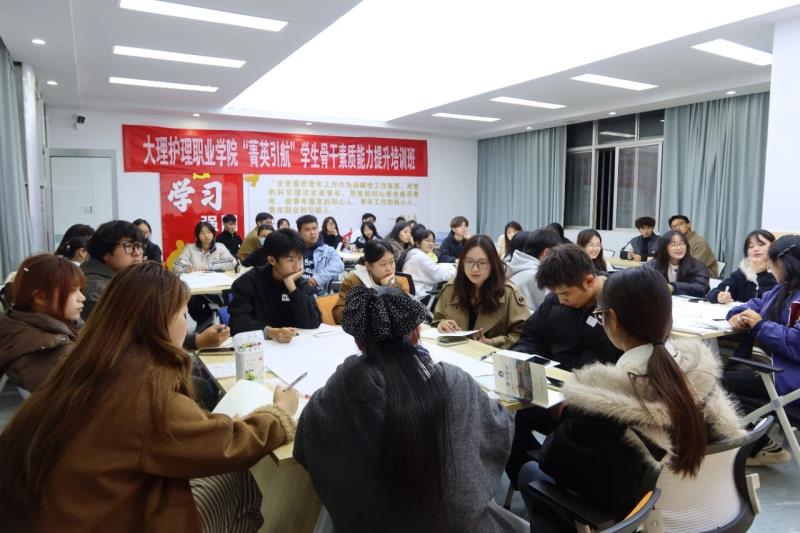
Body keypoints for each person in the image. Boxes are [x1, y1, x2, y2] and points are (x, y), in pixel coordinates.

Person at [0, 262, 299, 532]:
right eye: (182, 313)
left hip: (62, 510)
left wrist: (207, 425)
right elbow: (228, 446)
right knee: (240, 482)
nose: (186, 323)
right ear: (158, 322)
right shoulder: (146, 390)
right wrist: (278, 414)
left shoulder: (89, 361)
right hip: (106, 518)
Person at [519, 267, 743, 532]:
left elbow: (553, 461)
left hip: (640, 520)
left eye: (600, 315)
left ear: (612, 319)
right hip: (711, 517)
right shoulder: (705, 382)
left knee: (529, 473)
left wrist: (568, 418)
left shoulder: (599, 402)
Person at [294, 286, 515, 532]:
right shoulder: (455, 383)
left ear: (359, 342)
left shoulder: (339, 392)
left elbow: (305, 444)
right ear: (416, 334)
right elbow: (499, 426)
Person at [506, 244, 623, 483]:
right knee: (506, 414)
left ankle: (552, 479)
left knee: (574, 434)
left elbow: (617, 367)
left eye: (566, 294)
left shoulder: (618, 307)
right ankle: (529, 478)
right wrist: (522, 363)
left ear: (589, 281)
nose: (561, 300)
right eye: (556, 293)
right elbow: (531, 337)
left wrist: (576, 396)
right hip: (551, 391)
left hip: (589, 404)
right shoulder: (555, 301)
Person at [723, 235, 800, 465]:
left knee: (712, 384)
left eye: (772, 263)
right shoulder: (783, 290)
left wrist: (760, 325)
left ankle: (756, 447)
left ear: (784, 265)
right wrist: (736, 315)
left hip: (787, 380)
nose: (770, 269)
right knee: (715, 380)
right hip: (776, 371)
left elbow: (797, 343)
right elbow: (754, 305)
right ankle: (758, 445)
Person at [0, 255, 85, 392]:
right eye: (72, 290)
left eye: (80, 290)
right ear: (40, 297)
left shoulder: (17, 324)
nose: (82, 297)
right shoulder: (51, 350)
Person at [434, 235, 529, 349]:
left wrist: (493, 342)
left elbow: (522, 334)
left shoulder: (509, 293)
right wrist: (442, 324)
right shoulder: (452, 288)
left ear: (493, 264)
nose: (475, 269)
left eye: (482, 263)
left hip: (491, 355)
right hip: (454, 352)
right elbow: (437, 320)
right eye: (469, 262)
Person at [229, 228, 322, 339]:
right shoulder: (248, 282)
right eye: (290, 260)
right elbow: (238, 323)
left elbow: (313, 323)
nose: (297, 266)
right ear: (272, 260)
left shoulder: (300, 283)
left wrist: (293, 289)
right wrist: (270, 332)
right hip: (260, 345)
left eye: (300, 258)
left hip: (295, 344)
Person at [81, 220, 144, 320]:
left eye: (139, 246)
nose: (137, 253)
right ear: (105, 252)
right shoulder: (95, 288)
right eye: (129, 246)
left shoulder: (122, 278)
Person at [332, 239, 406, 324]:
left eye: (392, 262)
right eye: (383, 264)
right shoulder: (353, 281)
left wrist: (390, 289)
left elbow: (406, 308)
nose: (389, 268)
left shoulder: (394, 281)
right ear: (368, 265)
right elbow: (339, 315)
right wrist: (382, 291)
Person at [707, 230, 777, 304]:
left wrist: (762, 274)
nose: (756, 249)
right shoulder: (743, 272)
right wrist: (718, 296)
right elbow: (713, 293)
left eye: (761, 244)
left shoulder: (780, 273)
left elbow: (775, 301)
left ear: (774, 247)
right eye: (751, 246)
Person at [506, 227, 562, 312]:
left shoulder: (517, 266)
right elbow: (549, 311)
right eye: (557, 253)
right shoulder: (537, 275)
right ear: (546, 252)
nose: (558, 258)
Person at [399, 227, 456, 302]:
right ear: (417, 243)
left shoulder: (413, 253)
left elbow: (435, 268)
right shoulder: (420, 257)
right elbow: (438, 274)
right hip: (421, 298)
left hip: (414, 295)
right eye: (427, 240)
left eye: (433, 241)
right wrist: (458, 270)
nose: (431, 244)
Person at [647, 230, 710, 297]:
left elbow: (702, 288)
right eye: (674, 245)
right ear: (664, 248)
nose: (679, 248)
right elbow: (643, 283)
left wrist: (673, 287)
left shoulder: (697, 266)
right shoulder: (653, 265)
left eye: (682, 244)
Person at [296, 214, 344, 295]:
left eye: (314, 228)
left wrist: (316, 279)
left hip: (319, 294)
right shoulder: (294, 250)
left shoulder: (327, 250)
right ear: (299, 232)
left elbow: (339, 265)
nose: (312, 233)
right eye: (307, 230)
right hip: (297, 292)